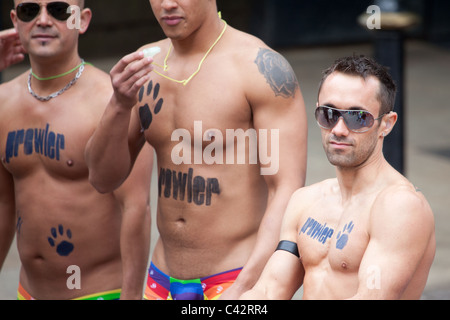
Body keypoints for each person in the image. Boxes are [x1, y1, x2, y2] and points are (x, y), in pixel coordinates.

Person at [85, 0, 307, 300]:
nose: (167, 4)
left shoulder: (259, 67)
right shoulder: (145, 65)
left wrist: (247, 288)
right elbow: (102, 178)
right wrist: (119, 105)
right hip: (160, 280)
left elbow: (287, 190)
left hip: (235, 279)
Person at [241, 55, 435, 300]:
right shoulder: (305, 201)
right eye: (329, 114)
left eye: (357, 117)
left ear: (386, 124)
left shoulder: (400, 207)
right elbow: (269, 290)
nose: (339, 129)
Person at [0, 0, 153, 300]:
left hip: (99, 293)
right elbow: (4, 205)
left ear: (81, 21)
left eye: (58, 10)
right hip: (28, 293)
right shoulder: (3, 102)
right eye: (30, 11)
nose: (43, 21)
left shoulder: (113, 100)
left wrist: (132, 296)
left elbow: (136, 208)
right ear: (15, 21)